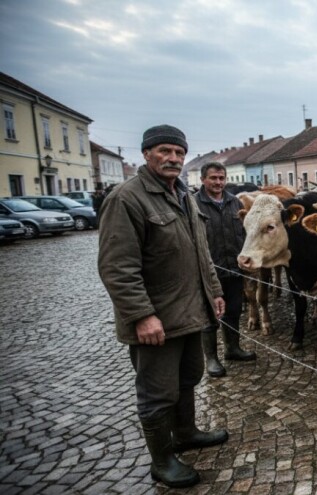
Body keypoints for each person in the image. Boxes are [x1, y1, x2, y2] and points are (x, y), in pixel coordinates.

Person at [97, 125, 228, 488]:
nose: (173, 158)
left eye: (179, 153)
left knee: (189, 377)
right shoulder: (127, 198)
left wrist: (213, 291)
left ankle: (185, 432)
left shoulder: (184, 195)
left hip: (191, 312)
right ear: (146, 154)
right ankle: (161, 460)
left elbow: (201, 252)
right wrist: (141, 315)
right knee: (157, 392)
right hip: (156, 320)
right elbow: (117, 267)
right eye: (164, 151)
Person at [195, 161, 256, 377]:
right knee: (209, 316)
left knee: (234, 311)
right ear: (203, 179)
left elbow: (245, 233)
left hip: (234, 269)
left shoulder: (234, 202)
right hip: (207, 272)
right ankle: (211, 358)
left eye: (222, 178)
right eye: (213, 178)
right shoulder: (194, 204)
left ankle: (233, 349)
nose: (218, 182)